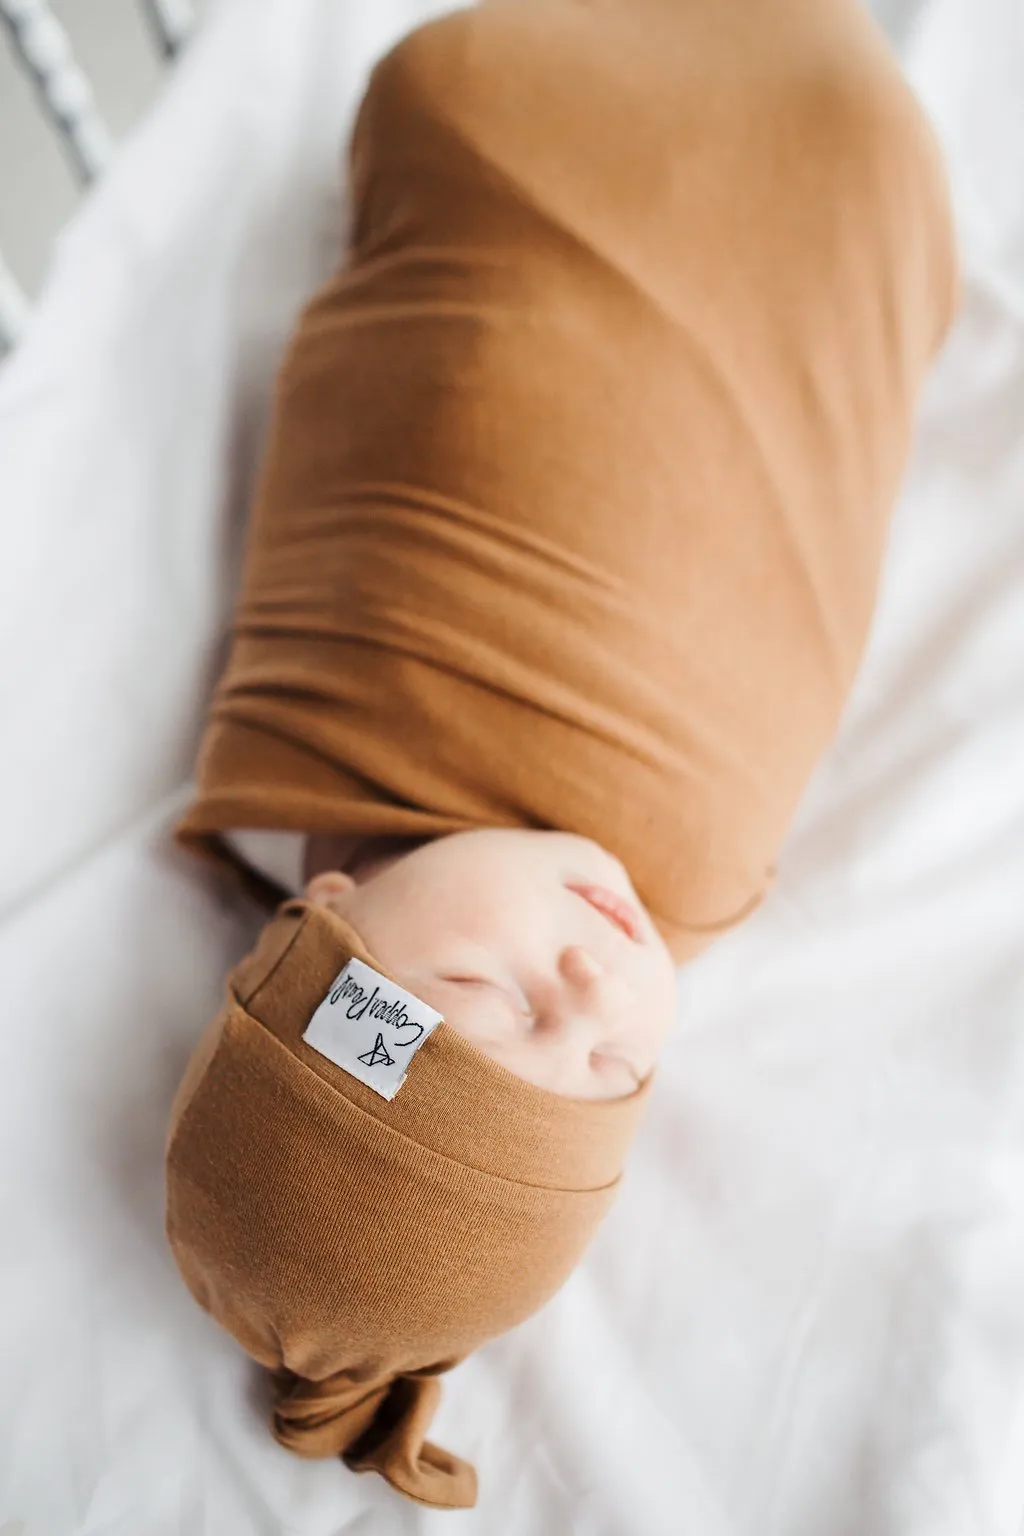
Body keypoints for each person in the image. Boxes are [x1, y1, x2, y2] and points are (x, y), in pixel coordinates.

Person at [165, 0, 958, 1508]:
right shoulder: (699, 855)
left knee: (446, 109)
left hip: (517, 125)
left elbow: (366, 400)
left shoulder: (293, 724)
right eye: (612, 1069)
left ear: (321, 913)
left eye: (485, 1000)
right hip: (836, 180)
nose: (598, 981)